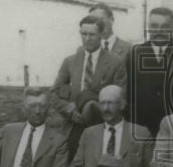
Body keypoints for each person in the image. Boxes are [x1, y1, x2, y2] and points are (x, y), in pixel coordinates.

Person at [55, 15, 128, 153]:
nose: (87, 39)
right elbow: (55, 92)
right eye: (84, 34)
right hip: (74, 124)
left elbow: (121, 96)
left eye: (92, 35)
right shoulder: (70, 61)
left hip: (103, 125)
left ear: (101, 34)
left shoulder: (115, 62)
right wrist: (69, 110)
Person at [125, 6, 173, 136]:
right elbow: (128, 94)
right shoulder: (135, 54)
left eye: (165, 26)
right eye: (154, 26)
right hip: (143, 127)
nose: (159, 31)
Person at [68, 84, 154, 167]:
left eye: (110, 103)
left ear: (122, 105)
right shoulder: (88, 133)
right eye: (102, 103)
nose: (105, 108)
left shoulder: (141, 133)